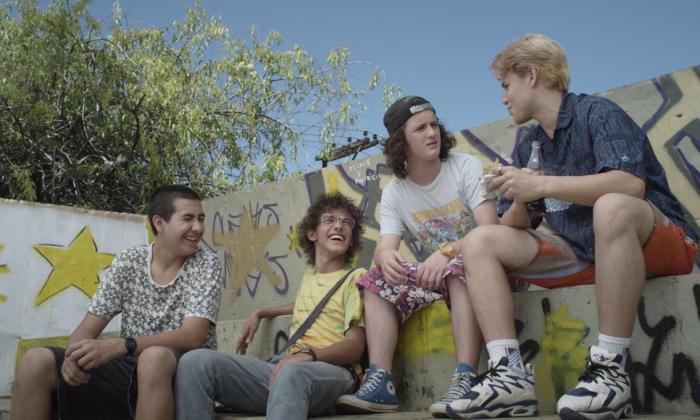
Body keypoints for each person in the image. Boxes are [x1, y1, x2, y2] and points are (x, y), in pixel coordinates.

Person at [445, 34, 698, 419]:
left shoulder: (597, 113)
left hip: (658, 245)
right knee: (480, 240)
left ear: (532, 75)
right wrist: (519, 193)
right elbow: (516, 225)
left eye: (506, 85)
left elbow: (629, 185)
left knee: (611, 205)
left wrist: (543, 185)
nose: (503, 98)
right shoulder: (528, 144)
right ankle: (509, 376)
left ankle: (611, 370)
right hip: (587, 255)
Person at [336, 96, 499, 417]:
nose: (432, 133)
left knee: (459, 266)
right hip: (437, 275)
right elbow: (385, 247)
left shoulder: (464, 167)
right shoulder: (395, 192)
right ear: (401, 141)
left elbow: (489, 230)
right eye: (421, 128)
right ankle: (380, 381)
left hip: (487, 272)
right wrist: (385, 258)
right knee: (374, 278)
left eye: (434, 125)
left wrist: (447, 251)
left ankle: (466, 377)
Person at [10, 185, 223, 420]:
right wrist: (74, 357)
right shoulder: (129, 261)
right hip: (129, 369)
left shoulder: (206, 263)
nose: (198, 228)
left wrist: (125, 345)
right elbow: (86, 329)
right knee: (35, 362)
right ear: (159, 223)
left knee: (154, 358)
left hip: (181, 373)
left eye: (201, 219)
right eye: (188, 219)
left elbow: (192, 336)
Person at [174, 192, 367, 420]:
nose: (339, 226)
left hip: (334, 373)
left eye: (347, 223)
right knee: (195, 362)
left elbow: (355, 346)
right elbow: (307, 306)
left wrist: (310, 354)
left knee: (291, 373)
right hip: (285, 370)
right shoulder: (310, 277)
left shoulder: (356, 278)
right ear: (312, 234)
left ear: (352, 239)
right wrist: (261, 312)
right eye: (329, 220)